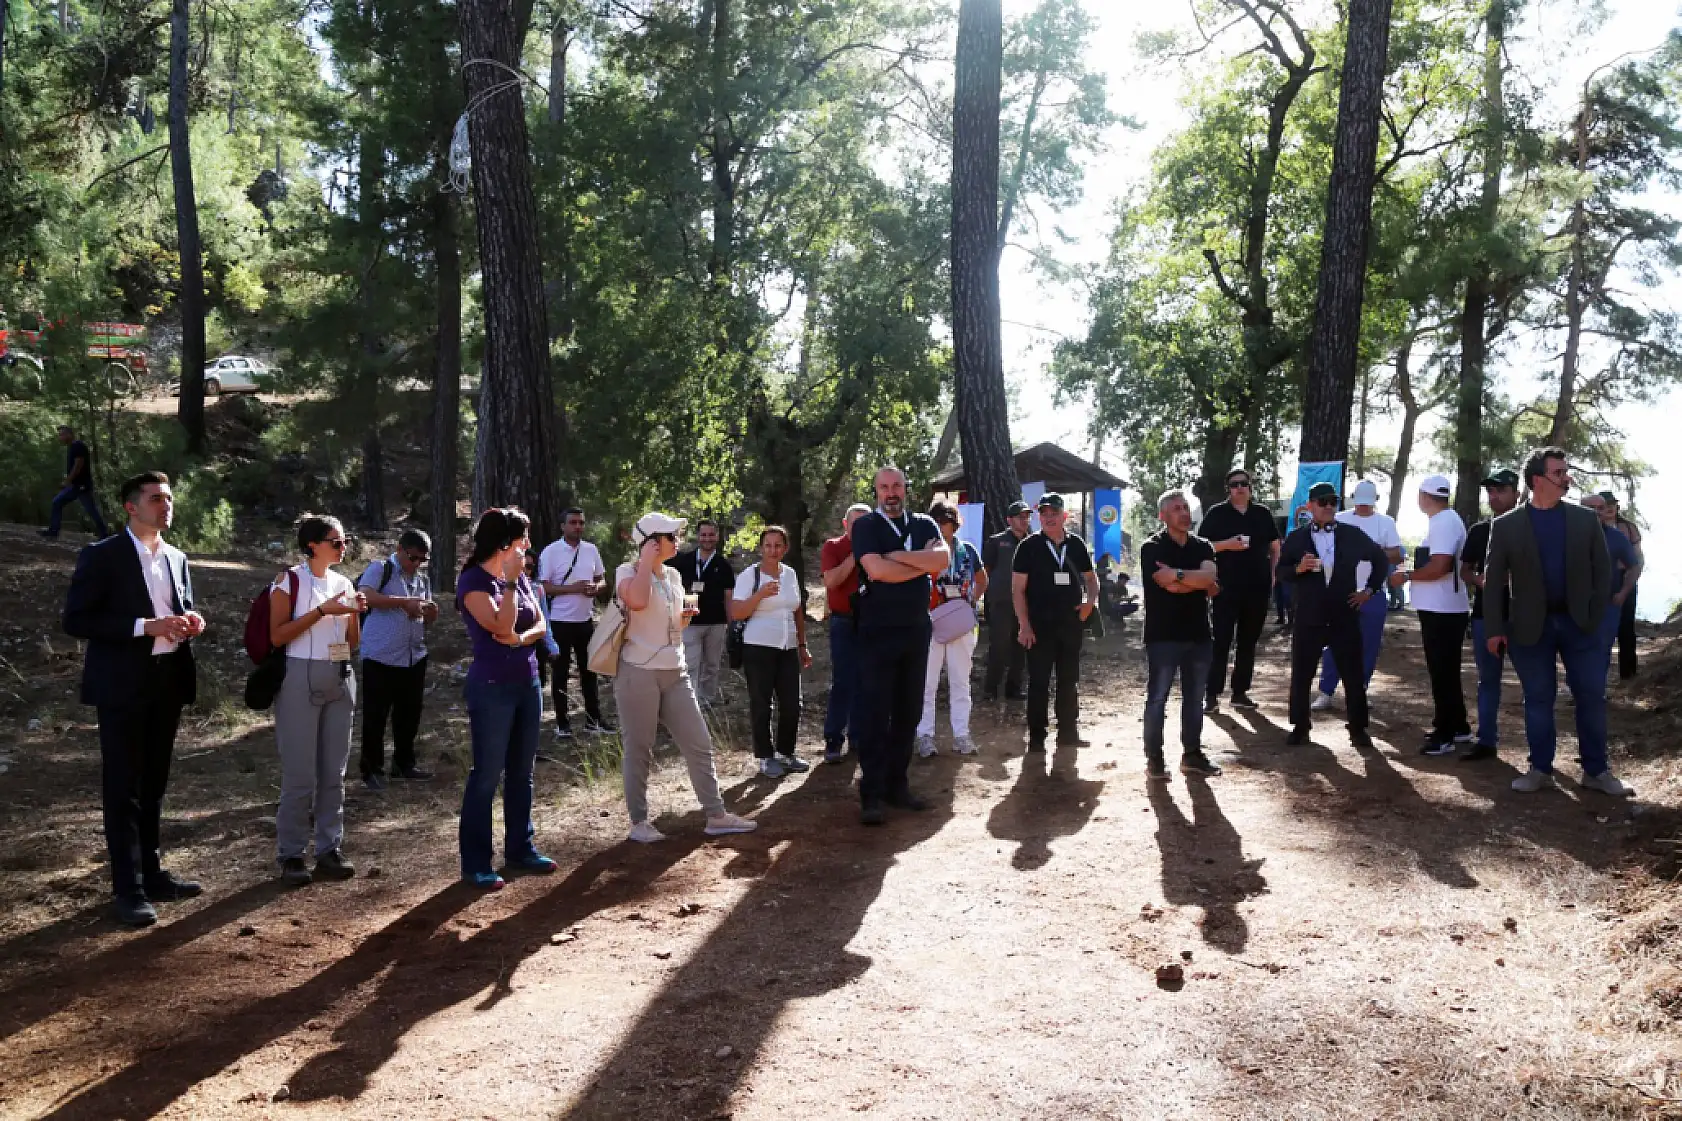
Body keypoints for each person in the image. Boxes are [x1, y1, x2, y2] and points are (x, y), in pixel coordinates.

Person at [62, 471, 205, 928]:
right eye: (156, 498)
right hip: (122, 684)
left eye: (169, 497)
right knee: (122, 788)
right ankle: (128, 889)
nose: (166, 505)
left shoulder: (178, 557)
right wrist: (146, 626)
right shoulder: (102, 556)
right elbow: (77, 620)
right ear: (131, 507)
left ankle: (154, 874)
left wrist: (188, 621)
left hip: (168, 681)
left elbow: (175, 610)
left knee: (154, 784)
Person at [1483, 447, 1629, 796]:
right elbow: (1493, 581)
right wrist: (1494, 629)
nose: (1567, 478)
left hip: (1581, 625)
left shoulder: (1584, 519)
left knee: (1591, 695)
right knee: (1538, 697)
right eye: (1560, 473)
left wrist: (1595, 616)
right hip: (1530, 627)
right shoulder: (1505, 526)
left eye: (1566, 472)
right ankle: (1540, 769)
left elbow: (1603, 570)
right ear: (1538, 480)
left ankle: (1596, 771)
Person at [615, 512, 758, 842]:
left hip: (674, 672)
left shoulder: (674, 577)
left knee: (699, 744)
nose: (677, 539)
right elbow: (636, 601)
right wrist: (646, 563)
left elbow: (674, 628)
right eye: (669, 535)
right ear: (651, 542)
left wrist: (683, 618)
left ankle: (716, 815)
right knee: (639, 748)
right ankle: (639, 822)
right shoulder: (627, 572)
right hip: (638, 673)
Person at [455, 508, 558, 889]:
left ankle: (521, 849)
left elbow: (541, 624)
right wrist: (512, 586)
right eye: (523, 539)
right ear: (504, 543)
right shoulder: (474, 581)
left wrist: (521, 638)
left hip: (527, 683)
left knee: (522, 772)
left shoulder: (521, 578)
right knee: (486, 775)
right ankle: (476, 863)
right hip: (492, 688)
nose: (529, 546)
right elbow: (499, 624)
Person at [269, 514, 365, 887]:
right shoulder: (289, 580)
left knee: (334, 771)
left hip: (339, 672)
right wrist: (322, 611)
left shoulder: (343, 582)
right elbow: (278, 636)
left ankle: (329, 848)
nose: (344, 548)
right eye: (336, 541)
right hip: (299, 673)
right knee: (299, 773)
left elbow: (351, 642)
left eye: (346, 541)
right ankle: (291, 853)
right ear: (312, 545)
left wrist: (354, 612)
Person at [852, 466, 948, 825]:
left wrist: (895, 557)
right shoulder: (866, 526)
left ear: (906, 489)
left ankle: (898, 784)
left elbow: (942, 560)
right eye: (884, 487)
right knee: (876, 712)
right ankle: (872, 792)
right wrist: (919, 564)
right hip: (877, 631)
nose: (891, 492)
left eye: (896, 486)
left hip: (916, 629)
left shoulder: (925, 524)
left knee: (908, 710)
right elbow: (876, 571)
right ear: (876, 491)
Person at [1277, 482, 1389, 748]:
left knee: (1353, 673)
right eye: (1323, 501)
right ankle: (1300, 726)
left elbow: (1380, 560)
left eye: (1333, 502)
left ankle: (1358, 728)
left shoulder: (1352, 534)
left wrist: (1369, 591)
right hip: (1308, 615)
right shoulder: (1297, 538)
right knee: (1302, 674)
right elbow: (1281, 573)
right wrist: (1299, 569)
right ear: (1310, 505)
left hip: (1344, 614)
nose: (1329, 506)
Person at [1140, 489, 1223, 780]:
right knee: (1157, 699)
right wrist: (1196, 581)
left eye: (1186, 507)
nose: (1184, 513)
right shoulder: (1152, 548)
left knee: (1195, 698)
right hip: (1163, 636)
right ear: (1163, 516)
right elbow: (1198, 583)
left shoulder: (1203, 546)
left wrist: (1176, 575)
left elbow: (1210, 579)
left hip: (1199, 634)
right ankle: (1155, 760)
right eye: (1176, 508)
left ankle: (1192, 755)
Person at [1012, 492, 1100, 752]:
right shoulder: (1028, 547)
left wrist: (1090, 603)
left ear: (1065, 516)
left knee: (1069, 679)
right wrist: (1024, 625)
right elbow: (1017, 590)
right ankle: (1037, 739)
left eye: (1054, 513)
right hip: (1039, 627)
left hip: (1071, 624)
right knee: (1039, 682)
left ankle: (1068, 733)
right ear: (1039, 517)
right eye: (1044, 514)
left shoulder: (1077, 545)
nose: (1048, 518)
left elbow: (1091, 579)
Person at [357, 529, 440, 790]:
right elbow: (366, 597)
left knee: (409, 714)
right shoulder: (380, 569)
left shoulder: (421, 579)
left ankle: (404, 763)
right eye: (413, 558)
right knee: (376, 715)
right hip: (381, 656)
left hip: (413, 656)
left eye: (422, 560)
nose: (416, 564)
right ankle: (372, 769)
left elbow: (423, 613)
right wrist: (403, 602)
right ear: (400, 549)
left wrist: (429, 613)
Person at [1310, 479, 1402, 712]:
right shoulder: (1340, 518)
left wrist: (1371, 550)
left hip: (1373, 593)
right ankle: (1326, 691)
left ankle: (1360, 690)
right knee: (1333, 644)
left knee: (1369, 645)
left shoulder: (1385, 522)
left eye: (1367, 505)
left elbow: (1396, 553)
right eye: (1360, 504)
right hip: (1341, 593)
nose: (1363, 508)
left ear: (1375, 502)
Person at [1396, 475, 1472, 756]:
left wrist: (1406, 576)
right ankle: (1458, 726)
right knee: (1446, 671)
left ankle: (1445, 734)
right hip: (1442, 607)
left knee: (1442, 672)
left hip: (1443, 609)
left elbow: (1440, 566)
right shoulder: (1445, 520)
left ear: (1425, 496)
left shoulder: (1443, 522)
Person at [732, 525, 812, 778]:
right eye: (768, 545)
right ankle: (765, 757)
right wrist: (759, 594)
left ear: (785, 548)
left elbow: (797, 610)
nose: (773, 550)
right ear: (760, 548)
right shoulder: (749, 575)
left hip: (787, 647)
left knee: (792, 704)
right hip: (758, 647)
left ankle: (786, 753)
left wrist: (802, 644)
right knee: (762, 703)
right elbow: (737, 612)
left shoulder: (789, 574)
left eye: (778, 545)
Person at [1199, 467, 1281, 713]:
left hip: (1257, 587)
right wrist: (1227, 545)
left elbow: (1276, 546)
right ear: (1228, 489)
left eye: (1243, 483)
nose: (1239, 488)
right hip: (1225, 588)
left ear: (1250, 486)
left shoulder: (1262, 513)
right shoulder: (1217, 514)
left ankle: (1240, 693)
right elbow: (1202, 547)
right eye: (1234, 484)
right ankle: (1211, 695)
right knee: (1221, 641)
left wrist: (1274, 574)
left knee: (1248, 642)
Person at [1458, 468, 1521, 760]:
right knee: (1488, 680)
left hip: (1524, 617)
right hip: (1486, 615)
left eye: (1501, 490)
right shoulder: (1479, 531)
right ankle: (1486, 741)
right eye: (1490, 491)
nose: (1494, 496)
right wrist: (1483, 581)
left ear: (1516, 493)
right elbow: (1465, 570)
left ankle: (1540, 754)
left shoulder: (1530, 527)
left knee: (1535, 684)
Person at [916, 501, 986, 757]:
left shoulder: (967, 550)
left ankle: (961, 735)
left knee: (960, 681)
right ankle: (924, 736)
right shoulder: (925, 550)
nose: (943, 528)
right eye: (938, 522)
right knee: (926, 683)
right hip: (930, 622)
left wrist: (969, 603)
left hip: (960, 624)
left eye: (947, 522)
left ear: (955, 525)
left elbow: (982, 579)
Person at [537, 507, 612, 739]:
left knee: (589, 671)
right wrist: (573, 589)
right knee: (560, 674)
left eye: (581, 522)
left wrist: (595, 589)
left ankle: (593, 720)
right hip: (559, 621)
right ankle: (562, 723)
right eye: (573, 522)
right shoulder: (550, 552)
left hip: (585, 621)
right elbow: (544, 587)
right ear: (563, 526)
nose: (578, 526)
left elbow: (602, 580)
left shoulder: (591, 550)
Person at [819, 504, 872, 764]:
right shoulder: (833, 547)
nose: (861, 529)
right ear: (845, 524)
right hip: (843, 620)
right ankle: (833, 739)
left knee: (866, 680)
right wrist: (855, 555)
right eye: (856, 524)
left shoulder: (878, 545)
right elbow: (831, 581)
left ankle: (859, 736)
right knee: (843, 681)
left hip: (871, 621)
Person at [667, 519, 735, 705]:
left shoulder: (724, 565)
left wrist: (731, 624)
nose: (707, 538)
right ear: (697, 536)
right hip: (690, 622)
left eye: (711, 534)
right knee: (691, 664)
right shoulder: (682, 561)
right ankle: (691, 702)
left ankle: (707, 700)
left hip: (716, 623)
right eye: (703, 534)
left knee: (712, 665)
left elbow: (729, 597)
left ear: (717, 536)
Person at [1582, 494, 1640, 674]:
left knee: (1604, 645)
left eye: (1601, 508)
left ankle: (1599, 690)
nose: (1598, 512)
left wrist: (1623, 592)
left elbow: (1635, 564)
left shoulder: (1619, 535)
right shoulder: (1567, 533)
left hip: (1608, 602)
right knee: (1578, 649)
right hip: (1576, 604)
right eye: (1592, 508)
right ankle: (1579, 688)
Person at [981, 501, 1033, 701]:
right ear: (1009, 520)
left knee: (1021, 646)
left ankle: (1014, 689)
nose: (1024, 520)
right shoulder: (996, 542)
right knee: (999, 646)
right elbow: (985, 571)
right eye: (1020, 516)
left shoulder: (1033, 542)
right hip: (1001, 602)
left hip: (1026, 604)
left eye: (1027, 516)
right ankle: (990, 689)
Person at [42, 425, 109, 539]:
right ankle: (53, 531)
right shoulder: (73, 447)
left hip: (81, 485)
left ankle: (104, 534)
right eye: (60, 435)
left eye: (62, 434)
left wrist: (67, 481)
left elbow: (78, 465)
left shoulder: (78, 446)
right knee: (57, 503)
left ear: (69, 435)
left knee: (90, 509)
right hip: (76, 485)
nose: (60, 437)